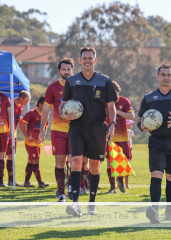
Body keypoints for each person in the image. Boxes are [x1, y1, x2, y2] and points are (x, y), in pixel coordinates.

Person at [60, 47, 118, 217]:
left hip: (98, 127)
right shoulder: (71, 81)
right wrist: (62, 114)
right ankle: (75, 203)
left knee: (94, 166)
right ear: (80, 60)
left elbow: (111, 105)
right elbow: (63, 104)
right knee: (76, 162)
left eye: (90, 58)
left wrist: (112, 123)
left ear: (95, 60)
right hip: (77, 126)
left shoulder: (104, 80)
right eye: (84, 58)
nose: (87, 60)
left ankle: (92, 204)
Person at [136, 64, 171, 224]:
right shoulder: (148, 98)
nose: (166, 77)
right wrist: (141, 126)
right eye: (163, 74)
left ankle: (169, 210)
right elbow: (138, 119)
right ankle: (154, 210)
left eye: (169, 75)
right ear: (158, 76)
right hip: (156, 141)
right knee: (156, 174)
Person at [39, 58, 74, 202]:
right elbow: (46, 110)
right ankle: (62, 194)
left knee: (74, 161)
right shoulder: (52, 88)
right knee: (60, 161)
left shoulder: (79, 86)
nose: (66, 72)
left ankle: (72, 188)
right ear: (59, 71)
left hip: (76, 130)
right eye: (63, 69)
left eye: (68, 69)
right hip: (57, 129)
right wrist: (42, 130)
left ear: (73, 70)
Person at [105, 81, 134, 194]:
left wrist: (117, 112)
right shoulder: (105, 102)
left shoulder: (124, 101)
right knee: (109, 162)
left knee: (124, 161)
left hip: (123, 137)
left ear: (118, 91)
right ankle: (113, 188)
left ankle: (120, 180)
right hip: (110, 137)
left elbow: (131, 116)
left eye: (114, 91)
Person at [0, 90, 30, 187]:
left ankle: (11, 181)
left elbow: (16, 117)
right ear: (21, 98)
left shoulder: (20, 106)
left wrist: (22, 119)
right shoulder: (10, 104)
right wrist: (8, 130)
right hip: (6, 134)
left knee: (12, 157)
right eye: (25, 101)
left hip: (14, 135)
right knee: (2, 156)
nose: (26, 104)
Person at [19, 97, 49, 188]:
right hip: (31, 142)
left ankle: (26, 182)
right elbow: (21, 124)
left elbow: (46, 125)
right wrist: (27, 136)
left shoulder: (45, 114)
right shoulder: (31, 113)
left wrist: (43, 135)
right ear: (40, 104)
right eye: (45, 105)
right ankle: (40, 183)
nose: (46, 107)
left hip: (38, 142)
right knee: (36, 161)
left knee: (31, 161)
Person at [126, 120, 134, 189]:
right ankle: (119, 183)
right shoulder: (122, 132)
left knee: (127, 167)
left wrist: (131, 147)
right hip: (123, 150)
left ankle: (126, 184)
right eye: (128, 124)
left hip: (128, 151)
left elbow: (130, 140)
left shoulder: (130, 132)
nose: (130, 125)